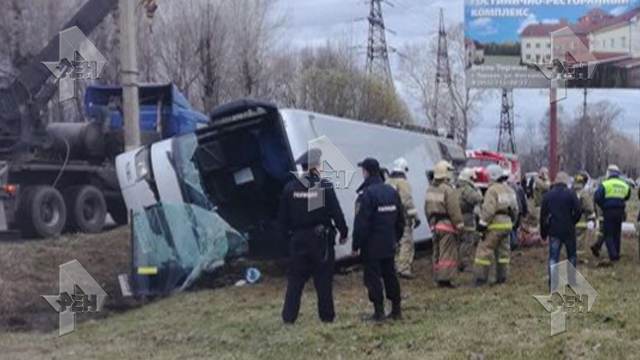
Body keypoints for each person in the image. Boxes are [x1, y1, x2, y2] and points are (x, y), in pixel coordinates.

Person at [278, 148, 349, 324]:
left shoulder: (290, 188)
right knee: (323, 280)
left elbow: (282, 219)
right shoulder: (322, 186)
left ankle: (289, 317)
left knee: (295, 280)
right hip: (320, 240)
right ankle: (326, 316)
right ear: (315, 166)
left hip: (298, 240)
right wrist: (343, 232)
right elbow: (336, 212)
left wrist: (288, 239)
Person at [353, 158, 405, 322]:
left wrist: (356, 245)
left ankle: (379, 312)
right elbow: (400, 220)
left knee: (373, 278)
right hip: (389, 243)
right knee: (390, 275)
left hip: (372, 246)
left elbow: (361, 223)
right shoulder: (391, 192)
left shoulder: (367, 195)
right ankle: (396, 310)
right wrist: (395, 238)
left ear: (366, 172)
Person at [474, 164, 519, 286]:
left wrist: (482, 225)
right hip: (507, 225)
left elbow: (489, 210)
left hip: (494, 225)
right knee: (503, 253)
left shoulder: (492, 190)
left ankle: (481, 279)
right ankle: (502, 277)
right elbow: (515, 209)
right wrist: (512, 223)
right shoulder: (510, 190)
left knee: (484, 251)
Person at [425, 161, 464, 288]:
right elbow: (454, 209)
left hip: (435, 224)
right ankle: (445, 279)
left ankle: (437, 276)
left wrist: (431, 224)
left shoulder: (430, 189)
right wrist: (459, 225)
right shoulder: (448, 190)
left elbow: (426, 209)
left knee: (436, 252)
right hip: (447, 225)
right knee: (447, 253)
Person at [540, 172, 582, 288]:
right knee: (572, 255)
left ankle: (553, 283)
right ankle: (572, 281)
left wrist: (543, 232)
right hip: (569, 229)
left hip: (554, 230)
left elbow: (543, 215)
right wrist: (573, 221)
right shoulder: (571, 194)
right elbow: (578, 210)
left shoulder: (548, 195)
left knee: (553, 257)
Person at [386, 157, 421, 279]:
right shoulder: (403, 183)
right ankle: (404, 268)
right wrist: (416, 217)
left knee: (394, 242)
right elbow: (407, 202)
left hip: (389, 217)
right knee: (406, 242)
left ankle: (394, 265)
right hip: (402, 217)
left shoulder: (388, 182)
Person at [593, 164, 630, 262]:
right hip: (620, 211)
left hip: (608, 211)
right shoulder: (624, 184)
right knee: (617, 233)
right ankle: (617, 253)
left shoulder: (606, 184)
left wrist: (603, 205)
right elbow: (627, 196)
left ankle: (613, 255)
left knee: (608, 233)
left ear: (609, 173)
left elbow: (597, 197)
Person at [456, 167, 483, 272]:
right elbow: (477, 199)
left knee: (460, 241)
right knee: (467, 241)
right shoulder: (467, 189)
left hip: (458, 217)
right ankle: (465, 263)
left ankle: (459, 262)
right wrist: (479, 192)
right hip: (466, 218)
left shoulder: (457, 187)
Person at [572, 172, 596, 253]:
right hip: (581, 219)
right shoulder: (584, 193)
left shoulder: (569, 192)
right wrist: (592, 217)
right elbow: (588, 207)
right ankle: (579, 256)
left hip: (570, 218)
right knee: (580, 237)